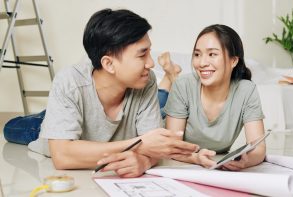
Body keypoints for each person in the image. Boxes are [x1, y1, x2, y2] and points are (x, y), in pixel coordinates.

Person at [3, 9, 199, 178]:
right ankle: (45, 117)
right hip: (47, 129)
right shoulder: (69, 82)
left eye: (149, 53)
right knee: (10, 129)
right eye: (142, 54)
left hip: (88, 129)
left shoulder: (146, 82)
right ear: (108, 64)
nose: (151, 63)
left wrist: (145, 162)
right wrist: (139, 145)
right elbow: (62, 156)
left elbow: (154, 146)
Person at [164, 24, 266, 171]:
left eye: (212, 54)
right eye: (197, 54)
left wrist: (246, 161)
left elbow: (258, 147)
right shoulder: (183, 85)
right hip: (162, 122)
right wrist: (195, 158)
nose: (202, 63)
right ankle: (169, 76)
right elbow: (172, 145)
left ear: (233, 61)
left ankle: (170, 74)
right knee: (160, 97)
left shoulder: (247, 91)